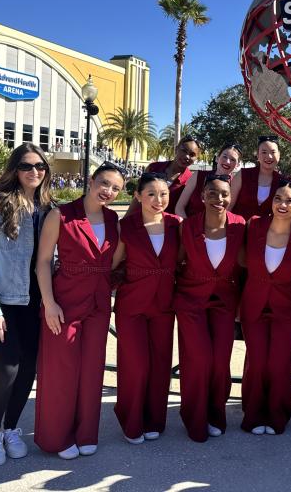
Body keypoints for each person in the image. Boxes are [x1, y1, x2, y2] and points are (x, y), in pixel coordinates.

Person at [0, 144, 53, 467]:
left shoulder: (47, 208)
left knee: (29, 367)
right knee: (6, 368)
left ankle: (12, 428)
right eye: (27, 166)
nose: (35, 172)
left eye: (41, 166)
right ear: (15, 169)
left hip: (31, 302)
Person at [34, 162, 126, 459]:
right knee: (61, 372)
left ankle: (86, 433)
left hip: (98, 304)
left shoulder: (114, 220)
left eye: (116, 188)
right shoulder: (61, 215)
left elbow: (114, 261)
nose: (109, 192)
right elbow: (43, 262)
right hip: (64, 303)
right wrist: (49, 303)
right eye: (105, 184)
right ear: (91, 181)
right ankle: (58, 438)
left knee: (91, 371)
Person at [174, 174, 246, 442]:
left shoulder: (240, 226)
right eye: (213, 194)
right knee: (198, 360)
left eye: (224, 194)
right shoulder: (188, 226)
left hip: (225, 301)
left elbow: (245, 262)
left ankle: (216, 415)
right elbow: (178, 260)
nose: (219, 199)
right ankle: (195, 419)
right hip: (192, 300)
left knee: (219, 362)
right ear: (202, 197)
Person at [239, 180, 291, 435]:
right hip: (254, 302)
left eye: (289, 200)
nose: (283, 204)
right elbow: (240, 261)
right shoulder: (254, 225)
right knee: (258, 360)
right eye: (278, 198)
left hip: (287, 306)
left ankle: (277, 414)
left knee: (280, 361)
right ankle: (253, 413)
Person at [112, 173, 181, 444]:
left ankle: (154, 419)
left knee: (160, 366)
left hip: (164, 306)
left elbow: (184, 261)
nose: (158, 199)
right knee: (136, 366)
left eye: (163, 194)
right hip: (132, 306)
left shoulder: (177, 225)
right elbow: (114, 264)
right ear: (138, 196)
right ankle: (131, 421)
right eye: (151, 193)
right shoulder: (125, 227)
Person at [130, 135, 200, 214]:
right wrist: (126, 218)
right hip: (141, 220)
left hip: (169, 224)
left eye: (192, 154)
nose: (187, 156)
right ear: (176, 149)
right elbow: (138, 197)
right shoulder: (153, 168)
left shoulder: (191, 181)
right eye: (184, 150)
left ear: (196, 158)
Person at [175, 143, 243, 218]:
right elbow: (179, 207)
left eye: (232, 159)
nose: (227, 162)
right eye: (224, 156)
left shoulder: (236, 185)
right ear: (217, 158)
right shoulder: (198, 176)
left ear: (237, 165)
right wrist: (188, 227)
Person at [230, 135, 282, 220]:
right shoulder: (242, 175)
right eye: (264, 152)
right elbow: (229, 204)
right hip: (237, 230)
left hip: (266, 232)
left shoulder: (282, 182)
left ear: (279, 155)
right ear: (258, 155)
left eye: (273, 152)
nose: (269, 156)